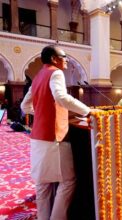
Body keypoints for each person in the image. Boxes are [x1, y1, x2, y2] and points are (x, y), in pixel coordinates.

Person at [20, 45, 99, 220]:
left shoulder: (37, 76)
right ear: (55, 59)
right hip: (54, 138)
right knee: (69, 181)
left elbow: (24, 107)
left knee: (43, 186)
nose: (67, 60)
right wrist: (88, 111)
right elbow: (61, 97)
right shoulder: (55, 73)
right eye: (64, 56)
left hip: (37, 139)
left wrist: (42, 111)